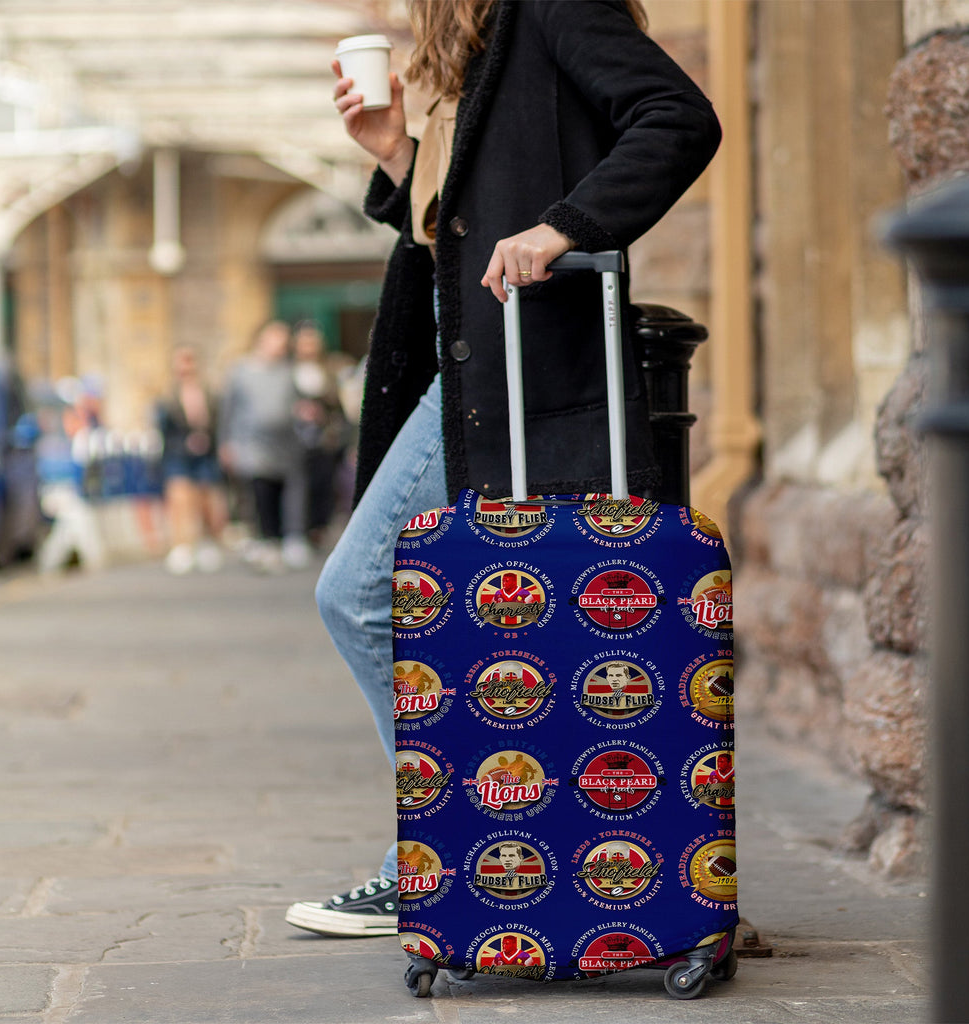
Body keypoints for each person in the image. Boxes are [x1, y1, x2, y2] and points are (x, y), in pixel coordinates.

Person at [284, 0, 720, 936]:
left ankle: (443, 852)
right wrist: (395, 154)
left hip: (525, 375)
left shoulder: (551, 5)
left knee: (363, 593)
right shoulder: (471, 45)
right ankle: (467, 850)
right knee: (481, 620)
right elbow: (457, 235)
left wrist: (565, 227)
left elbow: (678, 117)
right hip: (474, 371)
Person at [219, 320, 311, 572]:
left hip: (284, 445)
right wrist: (226, 442)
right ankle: (266, 541)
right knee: (260, 492)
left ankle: (285, 539)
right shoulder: (241, 371)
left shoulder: (287, 371)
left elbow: (296, 401)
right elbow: (228, 410)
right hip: (253, 444)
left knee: (284, 492)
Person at [154, 346, 228, 574]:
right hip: (178, 455)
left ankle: (207, 542)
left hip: (205, 454)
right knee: (180, 499)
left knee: (208, 500)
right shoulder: (167, 397)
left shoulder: (209, 394)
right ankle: (182, 546)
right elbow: (163, 432)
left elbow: (217, 424)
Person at [291, 321, 353, 548]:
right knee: (298, 487)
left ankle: (319, 528)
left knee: (324, 485)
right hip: (294, 440)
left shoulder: (329, 369)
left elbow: (340, 406)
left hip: (324, 439)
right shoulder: (289, 369)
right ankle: (299, 530)